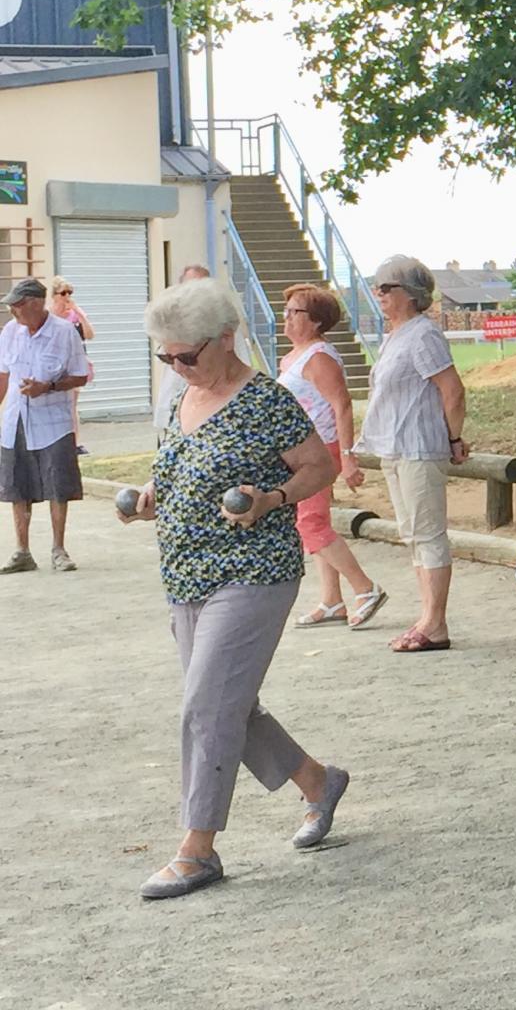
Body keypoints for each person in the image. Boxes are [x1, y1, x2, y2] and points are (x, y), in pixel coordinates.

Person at [116, 277, 348, 899]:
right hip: (186, 572)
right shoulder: (180, 395)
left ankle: (198, 850)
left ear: (227, 337)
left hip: (254, 572)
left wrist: (272, 497)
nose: (176, 365)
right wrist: (148, 497)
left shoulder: (267, 401)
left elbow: (319, 467)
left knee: (205, 707)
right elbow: (178, 464)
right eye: (165, 355)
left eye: (186, 354)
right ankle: (318, 783)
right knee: (225, 705)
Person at [356, 255, 468, 650]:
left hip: (420, 447)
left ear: (411, 294)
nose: (380, 294)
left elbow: (451, 391)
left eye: (388, 287)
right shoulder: (394, 336)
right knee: (415, 536)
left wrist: (454, 439)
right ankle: (426, 616)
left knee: (429, 534)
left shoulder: (423, 335)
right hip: (396, 448)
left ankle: (435, 623)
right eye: (378, 286)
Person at [278, 283, 387, 628]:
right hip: (298, 450)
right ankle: (331, 599)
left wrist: (347, 455)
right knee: (315, 521)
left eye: (295, 312)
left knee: (309, 522)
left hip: (321, 449)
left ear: (315, 321)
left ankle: (365, 588)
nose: (286, 318)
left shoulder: (319, 357)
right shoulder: (292, 357)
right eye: (287, 311)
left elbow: (341, 405)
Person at [0, 278, 90, 574]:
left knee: (57, 486)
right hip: (16, 420)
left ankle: (58, 549)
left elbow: (80, 376)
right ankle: (22, 551)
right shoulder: (10, 332)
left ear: (36, 304)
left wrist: (48, 386)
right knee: (17, 486)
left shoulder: (64, 332)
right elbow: (3, 376)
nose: (13, 310)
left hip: (53, 422)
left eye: (18, 304)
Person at [153, 264, 213, 432]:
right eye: (189, 287)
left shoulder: (222, 324)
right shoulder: (171, 320)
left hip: (207, 412)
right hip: (173, 408)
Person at [47, 276, 93, 450]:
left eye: (70, 293)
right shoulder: (49, 315)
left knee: (72, 404)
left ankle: (74, 442)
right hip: (56, 363)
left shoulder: (75, 314)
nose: (67, 297)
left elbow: (89, 334)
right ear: (54, 295)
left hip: (74, 363)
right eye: (63, 293)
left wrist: (79, 314)